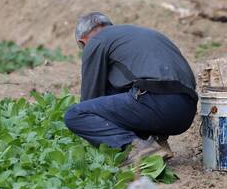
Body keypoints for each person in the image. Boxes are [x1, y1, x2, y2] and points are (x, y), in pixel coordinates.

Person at [64, 12, 197, 164]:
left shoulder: (96, 41)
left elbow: (90, 100)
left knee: (76, 114)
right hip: (185, 113)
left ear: (83, 41)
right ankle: (156, 142)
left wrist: (97, 137)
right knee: (119, 91)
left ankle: (140, 148)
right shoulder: (139, 34)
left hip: (157, 103)